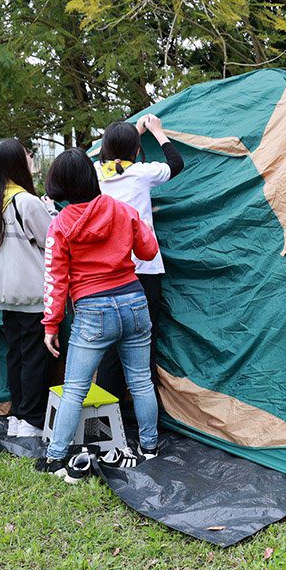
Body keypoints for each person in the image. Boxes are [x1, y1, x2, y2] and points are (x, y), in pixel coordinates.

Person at [34, 149, 160, 483]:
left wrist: (51, 324)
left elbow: (55, 279)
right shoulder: (122, 210)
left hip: (93, 311)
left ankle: (55, 457)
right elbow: (148, 250)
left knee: (75, 387)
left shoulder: (60, 225)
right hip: (134, 301)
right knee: (141, 380)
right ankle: (149, 448)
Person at [93, 116, 183, 405]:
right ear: (135, 151)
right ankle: (145, 419)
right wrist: (157, 131)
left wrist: (131, 133)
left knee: (109, 345)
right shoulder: (143, 172)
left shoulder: (95, 173)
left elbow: (101, 155)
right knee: (143, 342)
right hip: (144, 270)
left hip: (107, 273)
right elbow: (176, 163)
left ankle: (109, 415)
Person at [0, 138, 54, 437]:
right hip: (33, 295)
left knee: (16, 355)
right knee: (35, 358)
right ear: (17, 164)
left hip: (5, 296)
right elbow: (52, 241)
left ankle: (18, 415)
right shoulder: (26, 202)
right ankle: (32, 420)